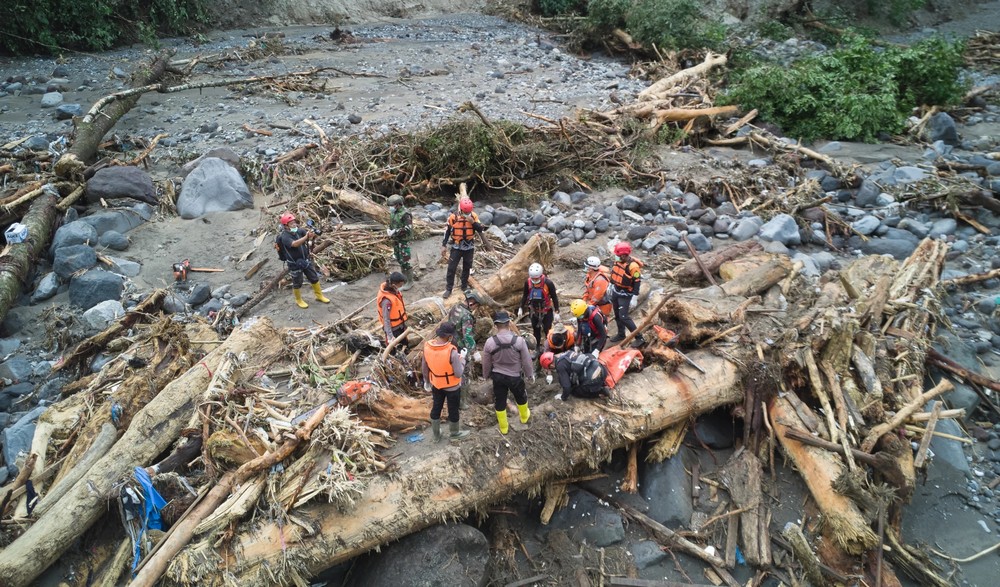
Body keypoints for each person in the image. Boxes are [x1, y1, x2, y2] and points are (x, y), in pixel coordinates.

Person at [481, 310, 533, 434]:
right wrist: (530, 374)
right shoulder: (519, 341)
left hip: (498, 377)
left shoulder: (490, 342)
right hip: (515, 376)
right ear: (509, 324)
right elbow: (526, 361)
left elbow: (486, 362)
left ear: (495, 325)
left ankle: (504, 428)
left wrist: (486, 375)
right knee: (521, 397)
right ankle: (524, 417)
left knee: (500, 400)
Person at [422, 322, 471, 442]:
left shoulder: (427, 347)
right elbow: (458, 373)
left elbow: (424, 367)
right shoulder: (452, 352)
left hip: (436, 385)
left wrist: (427, 381)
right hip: (452, 387)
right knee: (453, 409)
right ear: (449, 337)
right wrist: (462, 359)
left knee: (436, 407)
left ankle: (436, 435)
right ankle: (454, 433)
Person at [276, 213, 330, 309]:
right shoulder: (284, 236)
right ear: (286, 226)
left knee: (314, 277)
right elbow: (295, 244)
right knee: (297, 282)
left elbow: (308, 237)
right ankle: (298, 300)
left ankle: (319, 295)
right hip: (294, 264)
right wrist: (306, 237)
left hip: (305, 260)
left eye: (294, 223)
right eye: (291, 224)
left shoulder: (299, 231)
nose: (294, 225)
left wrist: (312, 235)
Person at [441, 197, 487, 298]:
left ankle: (464, 286)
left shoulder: (474, 216)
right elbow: (447, 231)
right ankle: (449, 289)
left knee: (467, 267)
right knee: (451, 268)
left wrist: (472, 222)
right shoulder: (453, 217)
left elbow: (480, 228)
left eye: (469, 212)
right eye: (465, 212)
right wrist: (444, 245)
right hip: (456, 246)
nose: (467, 214)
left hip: (469, 247)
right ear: (460, 209)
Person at [448, 289, 483, 409]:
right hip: (461, 348)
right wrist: (474, 352)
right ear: (472, 302)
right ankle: (462, 402)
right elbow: (467, 336)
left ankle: (453, 398)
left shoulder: (455, 307)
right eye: (476, 305)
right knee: (464, 373)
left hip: (451, 344)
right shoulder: (467, 316)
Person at [517, 262, 560, 353]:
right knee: (536, 330)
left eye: (536, 278)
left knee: (547, 329)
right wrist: (520, 307)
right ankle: (536, 347)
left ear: (541, 276)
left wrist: (557, 312)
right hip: (534, 311)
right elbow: (525, 296)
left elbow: (554, 297)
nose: (534, 280)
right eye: (532, 278)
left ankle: (550, 347)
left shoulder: (548, 283)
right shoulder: (528, 283)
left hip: (546, 311)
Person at [609, 242, 644, 345]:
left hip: (625, 294)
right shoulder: (619, 262)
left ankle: (639, 338)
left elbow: (637, 282)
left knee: (623, 317)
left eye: (618, 255)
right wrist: (610, 285)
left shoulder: (633, 266)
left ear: (624, 255)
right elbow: (615, 274)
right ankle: (621, 334)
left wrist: (635, 296)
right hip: (616, 290)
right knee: (617, 315)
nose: (616, 257)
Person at [539, 350, 610, 401]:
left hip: (593, 379)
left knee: (574, 392)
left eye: (549, 368)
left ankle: (600, 392)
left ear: (551, 365)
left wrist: (563, 397)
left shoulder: (560, 366)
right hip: (602, 369)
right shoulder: (567, 353)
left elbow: (567, 387)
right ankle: (603, 384)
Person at [386, 194, 415, 290]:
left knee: (404, 260)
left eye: (392, 205)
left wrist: (396, 231)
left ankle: (410, 282)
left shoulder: (405, 214)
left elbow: (408, 228)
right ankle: (405, 280)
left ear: (398, 204)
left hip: (403, 240)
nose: (391, 208)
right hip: (396, 240)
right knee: (399, 258)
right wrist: (389, 230)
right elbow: (392, 223)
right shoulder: (394, 213)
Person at [376, 272, 409, 351]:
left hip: (400, 325)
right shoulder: (387, 301)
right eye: (400, 285)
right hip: (394, 330)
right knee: (396, 350)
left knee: (405, 345)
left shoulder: (393, 290)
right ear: (394, 285)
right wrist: (390, 336)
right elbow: (386, 319)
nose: (401, 287)